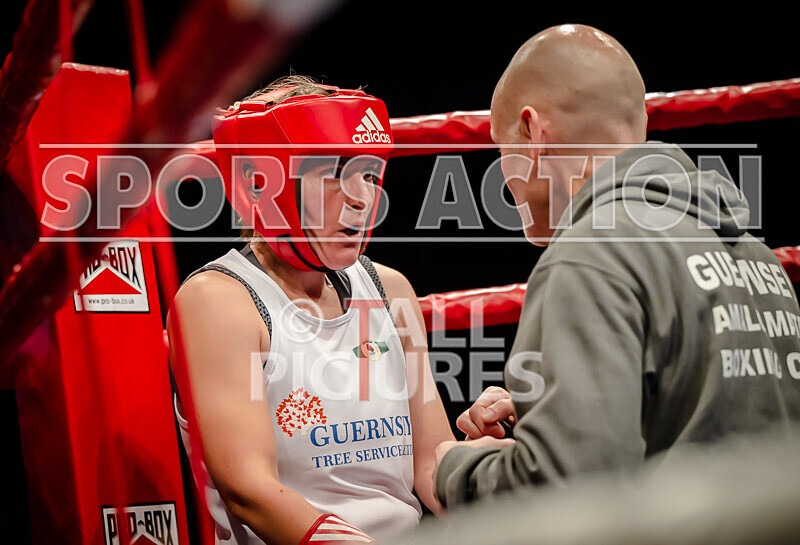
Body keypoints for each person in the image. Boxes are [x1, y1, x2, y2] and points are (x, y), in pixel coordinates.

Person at [432, 25, 800, 507]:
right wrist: (551, 411)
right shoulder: (752, 253)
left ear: (533, 132)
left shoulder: (589, 255)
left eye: (502, 151)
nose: (506, 183)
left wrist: (457, 469)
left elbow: (569, 492)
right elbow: (704, 421)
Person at [167, 76, 454, 545]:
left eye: (367, 173)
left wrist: (496, 472)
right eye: (336, 173)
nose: (362, 197)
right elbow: (250, 490)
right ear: (263, 181)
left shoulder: (391, 290)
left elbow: (431, 463)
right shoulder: (220, 301)